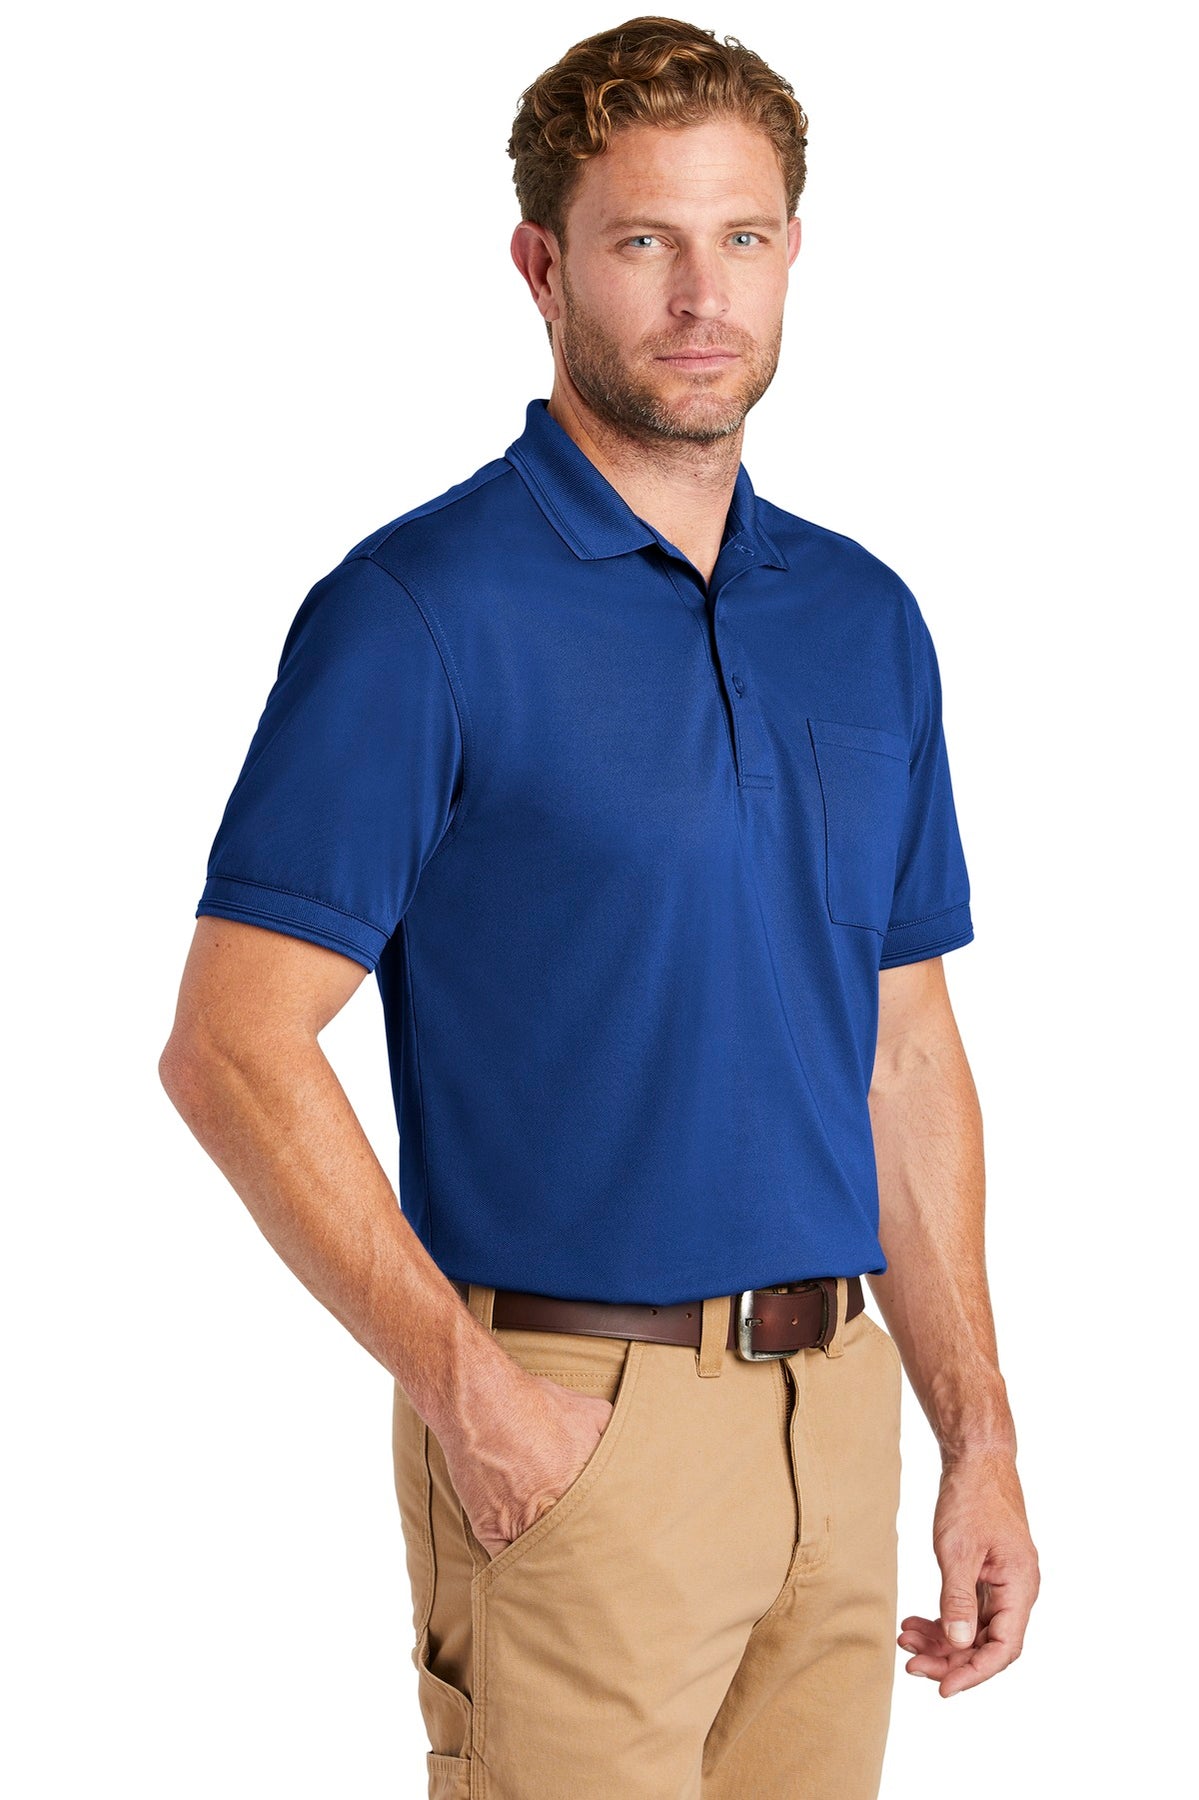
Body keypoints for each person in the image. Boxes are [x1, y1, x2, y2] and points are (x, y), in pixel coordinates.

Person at [159, 16, 1039, 1799]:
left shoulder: (863, 618)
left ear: (793, 251)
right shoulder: (420, 611)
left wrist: (980, 1438)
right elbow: (232, 1047)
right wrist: (471, 1395)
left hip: (838, 1423)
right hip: (576, 1426)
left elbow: (902, 1051)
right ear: (543, 267)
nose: (702, 295)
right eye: (645, 240)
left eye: (743, 236)